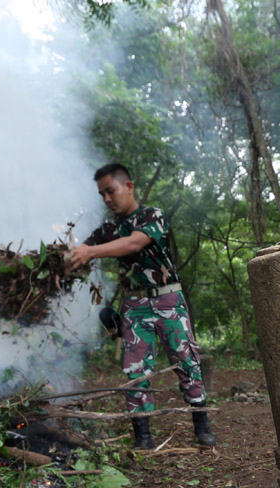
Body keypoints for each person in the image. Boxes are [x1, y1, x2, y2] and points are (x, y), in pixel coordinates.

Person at [70, 163, 215, 450]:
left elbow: (135, 244)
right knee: (135, 370)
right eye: (102, 194)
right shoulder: (108, 229)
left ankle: (202, 426)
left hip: (168, 298)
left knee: (186, 361)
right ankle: (144, 438)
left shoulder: (152, 216)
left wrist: (90, 252)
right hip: (134, 304)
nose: (107, 199)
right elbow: (80, 252)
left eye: (110, 191)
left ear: (129, 187)